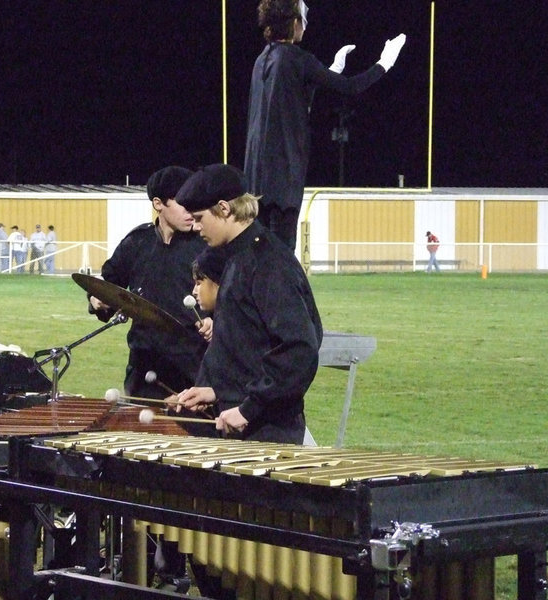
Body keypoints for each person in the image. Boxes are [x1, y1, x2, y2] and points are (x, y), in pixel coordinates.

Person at [88, 166, 209, 591]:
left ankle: (181, 557)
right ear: (159, 204)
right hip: (143, 369)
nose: (193, 210)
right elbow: (107, 284)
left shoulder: (205, 246)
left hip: (193, 373)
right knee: (141, 466)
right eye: (184, 202)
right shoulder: (138, 242)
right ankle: (144, 552)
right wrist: (98, 302)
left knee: (185, 470)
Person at [174, 163, 323, 445]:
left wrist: (248, 408)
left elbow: (300, 348)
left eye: (199, 218)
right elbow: (250, 348)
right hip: (245, 422)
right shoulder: (237, 259)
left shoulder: (269, 263)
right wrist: (217, 390)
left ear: (224, 209)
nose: (195, 227)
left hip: (269, 430)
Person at [244, 0, 406, 251]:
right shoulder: (297, 59)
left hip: (257, 179)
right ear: (293, 23)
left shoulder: (261, 61)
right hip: (284, 177)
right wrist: (385, 63)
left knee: (259, 255)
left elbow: (292, 99)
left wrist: (332, 69)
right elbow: (351, 87)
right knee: (282, 258)